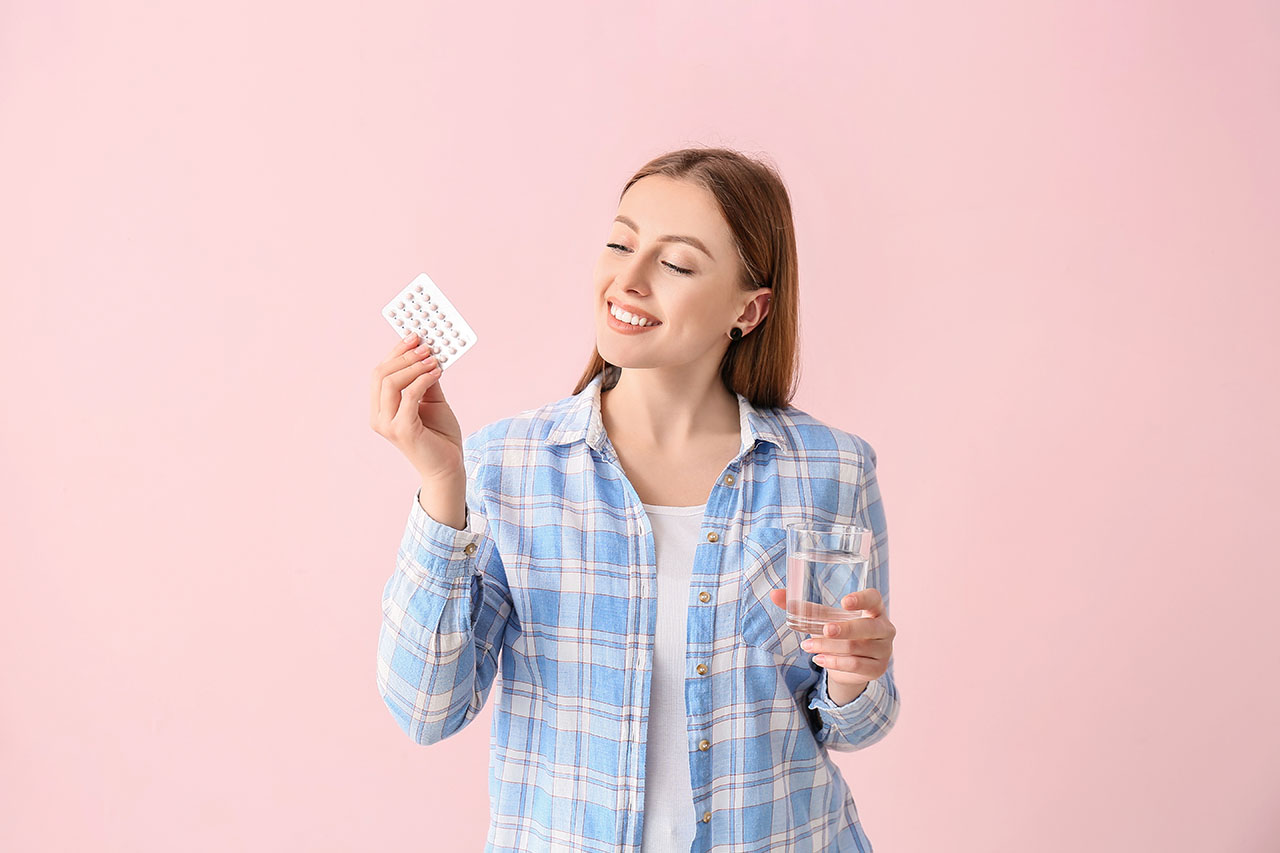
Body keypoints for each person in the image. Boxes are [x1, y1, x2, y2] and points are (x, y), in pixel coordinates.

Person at [371, 147, 900, 853]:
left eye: (675, 263)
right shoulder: (508, 466)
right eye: (620, 243)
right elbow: (426, 708)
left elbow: (856, 722)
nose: (629, 277)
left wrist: (854, 676)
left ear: (749, 309)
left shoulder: (831, 470)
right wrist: (443, 489)